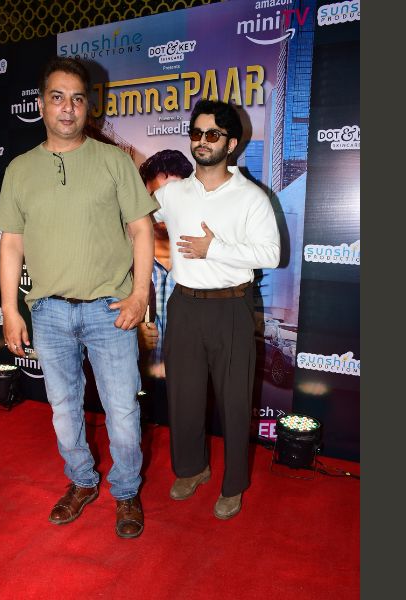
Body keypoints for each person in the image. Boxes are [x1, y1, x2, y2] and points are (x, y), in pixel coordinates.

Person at [0, 57, 158, 539]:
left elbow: (142, 230)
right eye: (58, 97)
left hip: (111, 310)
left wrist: (139, 294)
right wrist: (10, 310)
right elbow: (11, 245)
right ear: (42, 104)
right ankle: (82, 482)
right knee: (64, 410)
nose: (68, 108)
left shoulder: (113, 161)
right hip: (48, 312)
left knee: (122, 411)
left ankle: (126, 491)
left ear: (89, 107)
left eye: (77, 98)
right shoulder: (20, 169)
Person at [153, 99, 280, 519]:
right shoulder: (172, 193)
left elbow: (272, 253)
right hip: (184, 306)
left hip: (232, 308)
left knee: (235, 402)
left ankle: (233, 485)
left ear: (232, 143)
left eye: (212, 134)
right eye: (196, 133)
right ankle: (192, 469)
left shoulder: (251, 197)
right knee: (184, 397)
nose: (202, 141)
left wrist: (215, 248)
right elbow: (136, 218)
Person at [137, 150, 193, 379]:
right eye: (156, 197)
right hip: (138, 386)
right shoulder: (122, 259)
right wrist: (130, 336)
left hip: (189, 387)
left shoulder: (208, 261)